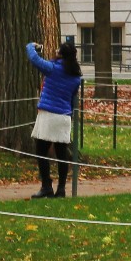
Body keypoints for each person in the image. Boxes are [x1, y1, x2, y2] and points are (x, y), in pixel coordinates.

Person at [24, 37, 83, 198]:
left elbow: (34, 59)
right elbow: (72, 99)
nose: (55, 52)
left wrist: (31, 45)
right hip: (64, 116)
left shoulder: (52, 69)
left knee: (41, 151)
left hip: (48, 114)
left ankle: (46, 186)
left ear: (61, 55)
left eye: (58, 50)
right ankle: (62, 188)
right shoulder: (76, 77)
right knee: (61, 153)